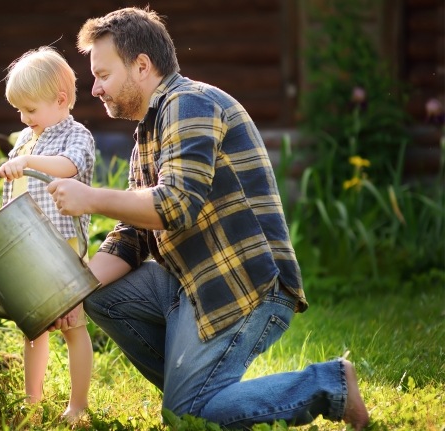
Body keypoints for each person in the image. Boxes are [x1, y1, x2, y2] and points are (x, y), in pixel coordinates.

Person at [46, 7, 370, 430]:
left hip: (241, 284)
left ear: (141, 66)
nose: (95, 88)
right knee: (100, 294)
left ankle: (329, 384)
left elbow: (176, 204)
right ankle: (204, 389)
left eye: (103, 75)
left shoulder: (191, 103)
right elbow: (134, 237)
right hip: (189, 282)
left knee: (186, 416)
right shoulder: (148, 132)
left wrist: (90, 199)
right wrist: (69, 291)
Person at [0, 46, 96, 422]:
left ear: (60, 100)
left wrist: (26, 162)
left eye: (31, 110)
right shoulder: (26, 139)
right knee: (33, 328)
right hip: (27, 249)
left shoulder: (77, 136)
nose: (24, 118)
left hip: (63, 250)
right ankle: (32, 399)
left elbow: (69, 168)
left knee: (73, 327)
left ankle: (78, 405)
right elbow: (17, 192)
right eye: (19, 111)